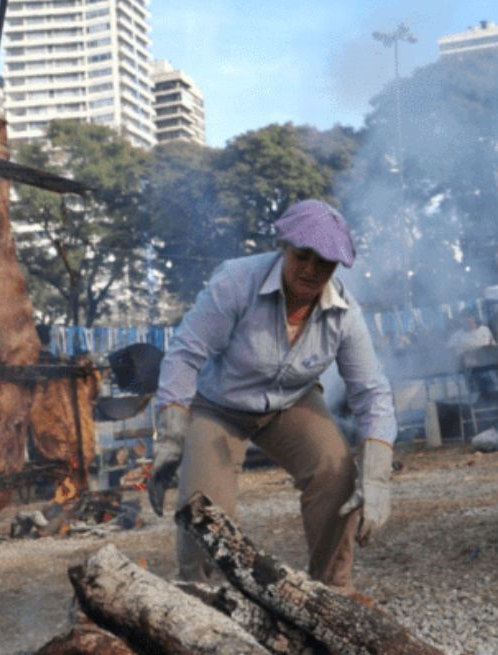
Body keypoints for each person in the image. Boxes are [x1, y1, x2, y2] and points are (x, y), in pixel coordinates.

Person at [147, 199, 396, 593]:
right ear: (284, 245)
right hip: (218, 405)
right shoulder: (235, 282)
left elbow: (372, 392)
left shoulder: (345, 313)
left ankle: (333, 591)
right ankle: (199, 595)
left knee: (337, 472)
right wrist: (173, 434)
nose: (312, 270)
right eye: (303, 256)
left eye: (326, 262)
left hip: (291, 402)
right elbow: (184, 353)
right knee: (205, 507)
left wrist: (378, 477)